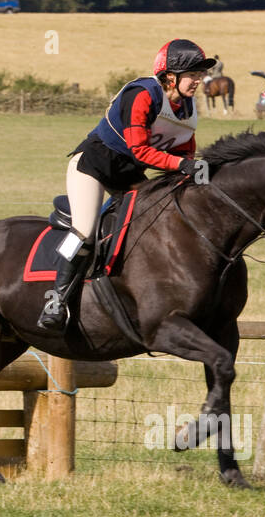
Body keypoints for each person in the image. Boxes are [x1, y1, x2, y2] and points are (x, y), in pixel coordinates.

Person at [37, 39, 215, 332]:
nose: (199, 80)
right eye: (193, 74)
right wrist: (182, 166)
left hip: (127, 173)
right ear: (170, 76)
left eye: (200, 74)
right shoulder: (143, 94)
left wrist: (200, 174)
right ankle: (55, 301)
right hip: (93, 164)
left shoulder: (188, 109)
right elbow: (139, 151)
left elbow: (185, 154)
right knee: (84, 231)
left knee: (154, 220)